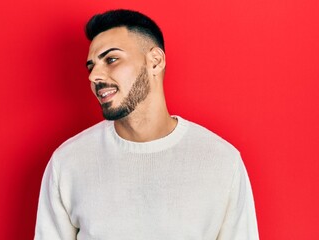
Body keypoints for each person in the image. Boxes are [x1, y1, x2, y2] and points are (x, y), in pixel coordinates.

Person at [34, 9, 259, 240]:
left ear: (155, 61)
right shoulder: (68, 162)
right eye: (91, 66)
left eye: (111, 60)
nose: (94, 76)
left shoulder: (220, 160)